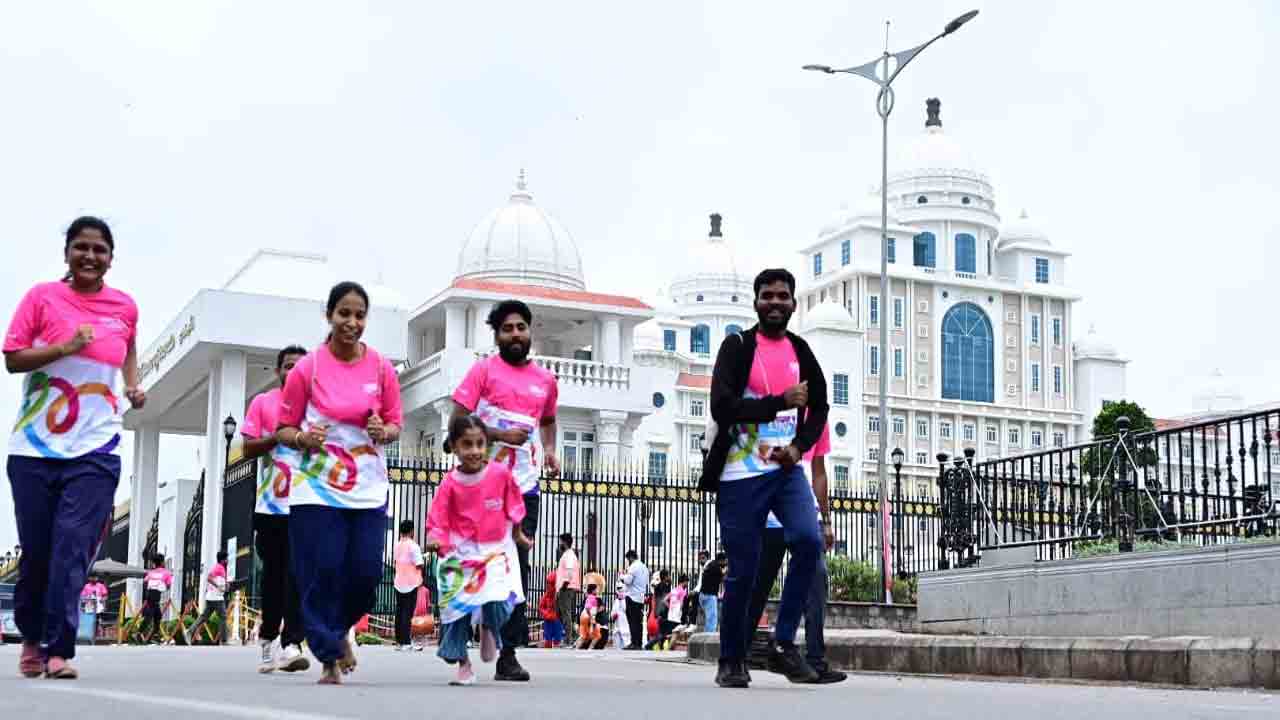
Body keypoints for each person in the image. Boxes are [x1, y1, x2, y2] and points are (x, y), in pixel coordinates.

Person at [4, 217, 145, 679]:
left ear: (110, 257)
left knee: (73, 546)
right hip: (35, 447)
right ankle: (30, 636)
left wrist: (132, 385)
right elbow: (12, 358)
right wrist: (65, 346)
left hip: (95, 446)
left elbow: (126, 349)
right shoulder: (42, 297)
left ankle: (59, 648)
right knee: (40, 550)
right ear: (67, 252)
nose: (90, 256)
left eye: (99, 249)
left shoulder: (124, 306)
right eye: (81, 247)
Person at [699, 268, 829, 688]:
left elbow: (821, 406)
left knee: (809, 542)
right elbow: (723, 406)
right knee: (744, 569)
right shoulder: (737, 347)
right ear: (756, 302)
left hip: (785, 472)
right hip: (740, 472)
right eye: (768, 296)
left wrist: (799, 447)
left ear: (794, 303)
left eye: (783, 296)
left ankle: (783, 644)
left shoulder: (800, 350)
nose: (775, 302)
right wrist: (778, 403)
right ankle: (731, 659)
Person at [275, 281, 403, 685]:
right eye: (343, 313)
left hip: (366, 488)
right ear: (329, 315)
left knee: (366, 575)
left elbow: (397, 424)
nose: (351, 322)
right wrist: (301, 438)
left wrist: (385, 430)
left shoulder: (382, 368)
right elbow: (282, 427)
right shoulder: (307, 369)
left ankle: (340, 629)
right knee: (322, 570)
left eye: (359, 315)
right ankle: (329, 656)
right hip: (317, 487)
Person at [451, 299, 560, 681]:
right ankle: (465, 634)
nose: (516, 334)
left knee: (518, 564)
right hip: (478, 484)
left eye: (521, 327)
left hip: (524, 486)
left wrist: (548, 450)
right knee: (474, 558)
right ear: (496, 336)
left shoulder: (545, 381)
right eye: (508, 328)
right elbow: (456, 421)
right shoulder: (482, 371)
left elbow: (547, 421)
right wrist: (497, 434)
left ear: (531, 332)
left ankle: (508, 653)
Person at [424, 415, 531, 686]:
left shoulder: (499, 474)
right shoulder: (450, 483)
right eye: (467, 444)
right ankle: (462, 663)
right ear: (455, 447)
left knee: (499, 598)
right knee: (457, 608)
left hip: (495, 550)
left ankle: (488, 626)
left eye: (480, 444)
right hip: (461, 553)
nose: (474, 451)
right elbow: (438, 518)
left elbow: (514, 505)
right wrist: (436, 538)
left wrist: (518, 534)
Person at [744, 426, 847, 684]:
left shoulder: (818, 422)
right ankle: (738, 656)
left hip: (805, 517)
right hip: (769, 516)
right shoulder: (777, 411)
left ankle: (815, 660)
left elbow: (819, 472)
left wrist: (826, 521)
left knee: (817, 580)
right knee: (759, 587)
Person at [241, 345, 310, 673]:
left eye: (299, 366)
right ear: (278, 370)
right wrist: (278, 438)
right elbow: (246, 448)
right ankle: (268, 636)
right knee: (274, 577)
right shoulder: (263, 403)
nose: (292, 371)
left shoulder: (316, 407)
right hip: (270, 508)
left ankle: (291, 642)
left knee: (298, 575)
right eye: (287, 366)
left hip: (306, 504)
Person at [393, 519, 426, 651]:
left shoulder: (397, 545)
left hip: (398, 581)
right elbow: (419, 563)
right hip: (411, 583)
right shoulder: (414, 546)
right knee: (407, 612)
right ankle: (406, 642)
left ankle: (400, 641)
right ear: (412, 531)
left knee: (399, 611)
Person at [185, 551, 229, 645]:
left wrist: (224, 586)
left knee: (203, 617)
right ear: (223, 560)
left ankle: (189, 631)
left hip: (211, 597)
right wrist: (218, 586)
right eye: (226, 559)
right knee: (223, 617)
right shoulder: (219, 567)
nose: (227, 560)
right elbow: (209, 578)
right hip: (216, 598)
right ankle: (224, 640)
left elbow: (220, 583)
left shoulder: (220, 568)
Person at [554, 532, 581, 647]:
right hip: (564, 587)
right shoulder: (567, 554)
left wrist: (565, 584)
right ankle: (574, 635)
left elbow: (569, 571)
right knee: (561, 612)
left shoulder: (569, 555)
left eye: (560, 542)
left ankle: (568, 639)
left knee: (565, 613)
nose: (559, 544)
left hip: (567, 587)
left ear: (565, 542)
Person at [619, 550, 649, 650]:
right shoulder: (644, 567)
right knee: (639, 621)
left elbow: (628, 581)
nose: (628, 561)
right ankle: (639, 643)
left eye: (628, 559)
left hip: (632, 597)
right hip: (640, 597)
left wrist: (622, 577)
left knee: (632, 621)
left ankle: (634, 643)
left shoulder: (633, 567)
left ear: (631, 557)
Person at [140, 555, 172, 645]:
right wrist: (164, 587)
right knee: (150, 616)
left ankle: (153, 636)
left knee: (158, 616)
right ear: (162, 562)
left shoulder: (151, 572)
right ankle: (138, 633)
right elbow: (168, 585)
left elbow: (145, 582)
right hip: (156, 595)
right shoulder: (166, 573)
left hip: (150, 593)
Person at [697, 552, 726, 634]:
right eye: (725, 561)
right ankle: (708, 638)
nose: (725, 563)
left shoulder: (710, 564)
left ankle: (706, 635)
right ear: (721, 560)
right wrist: (725, 571)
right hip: (709, 596)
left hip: (702, 595)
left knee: (708, 619)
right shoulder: (716, 567)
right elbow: (723, 579)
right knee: (712, 620)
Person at [645, 570, 671, 650]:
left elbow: (657, 600)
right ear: (665, 576)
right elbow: (663, 600)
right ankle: (649, 644)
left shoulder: (658, 586)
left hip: (658, 611)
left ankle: (659, 646)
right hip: (663, 611)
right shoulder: (665, 587)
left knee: (662, 631)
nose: (669, 577)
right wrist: (669, 607)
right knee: (663, 633)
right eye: (668, 575)